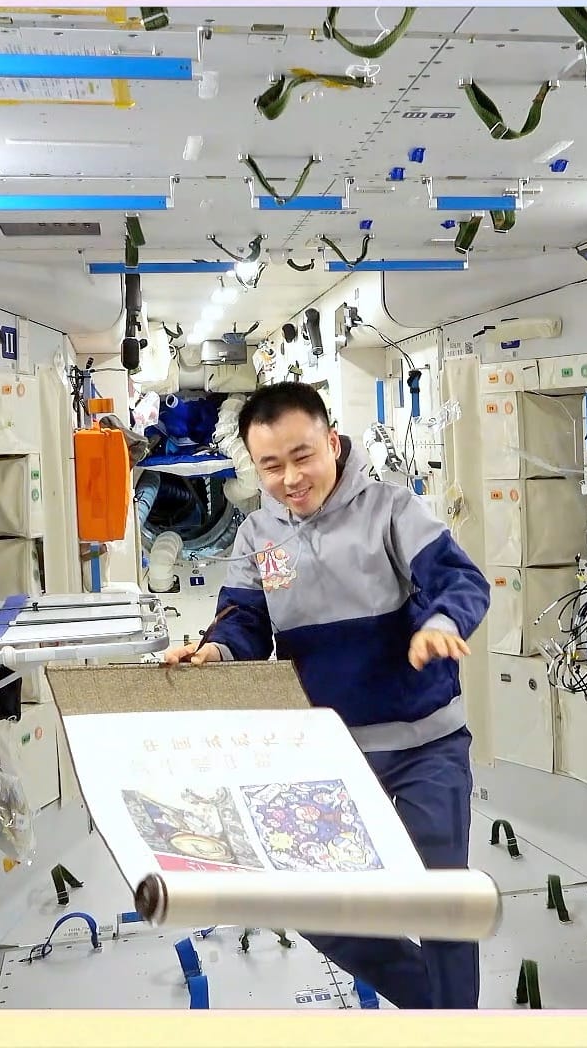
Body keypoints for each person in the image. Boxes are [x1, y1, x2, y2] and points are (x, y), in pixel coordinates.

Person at [160, 381, 491, 1009]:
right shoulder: (258, 535)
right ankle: (436, 1008)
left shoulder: (392, 510)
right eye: (272, 465)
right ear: (255, 467)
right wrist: (213, 652)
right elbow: (245, 622)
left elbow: (460, 580)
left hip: (426, 743)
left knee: (444, 901)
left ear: (332, 442)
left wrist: (443, 624)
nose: (290, 478)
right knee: (311, 904)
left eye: (302, 456)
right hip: (326, 752)